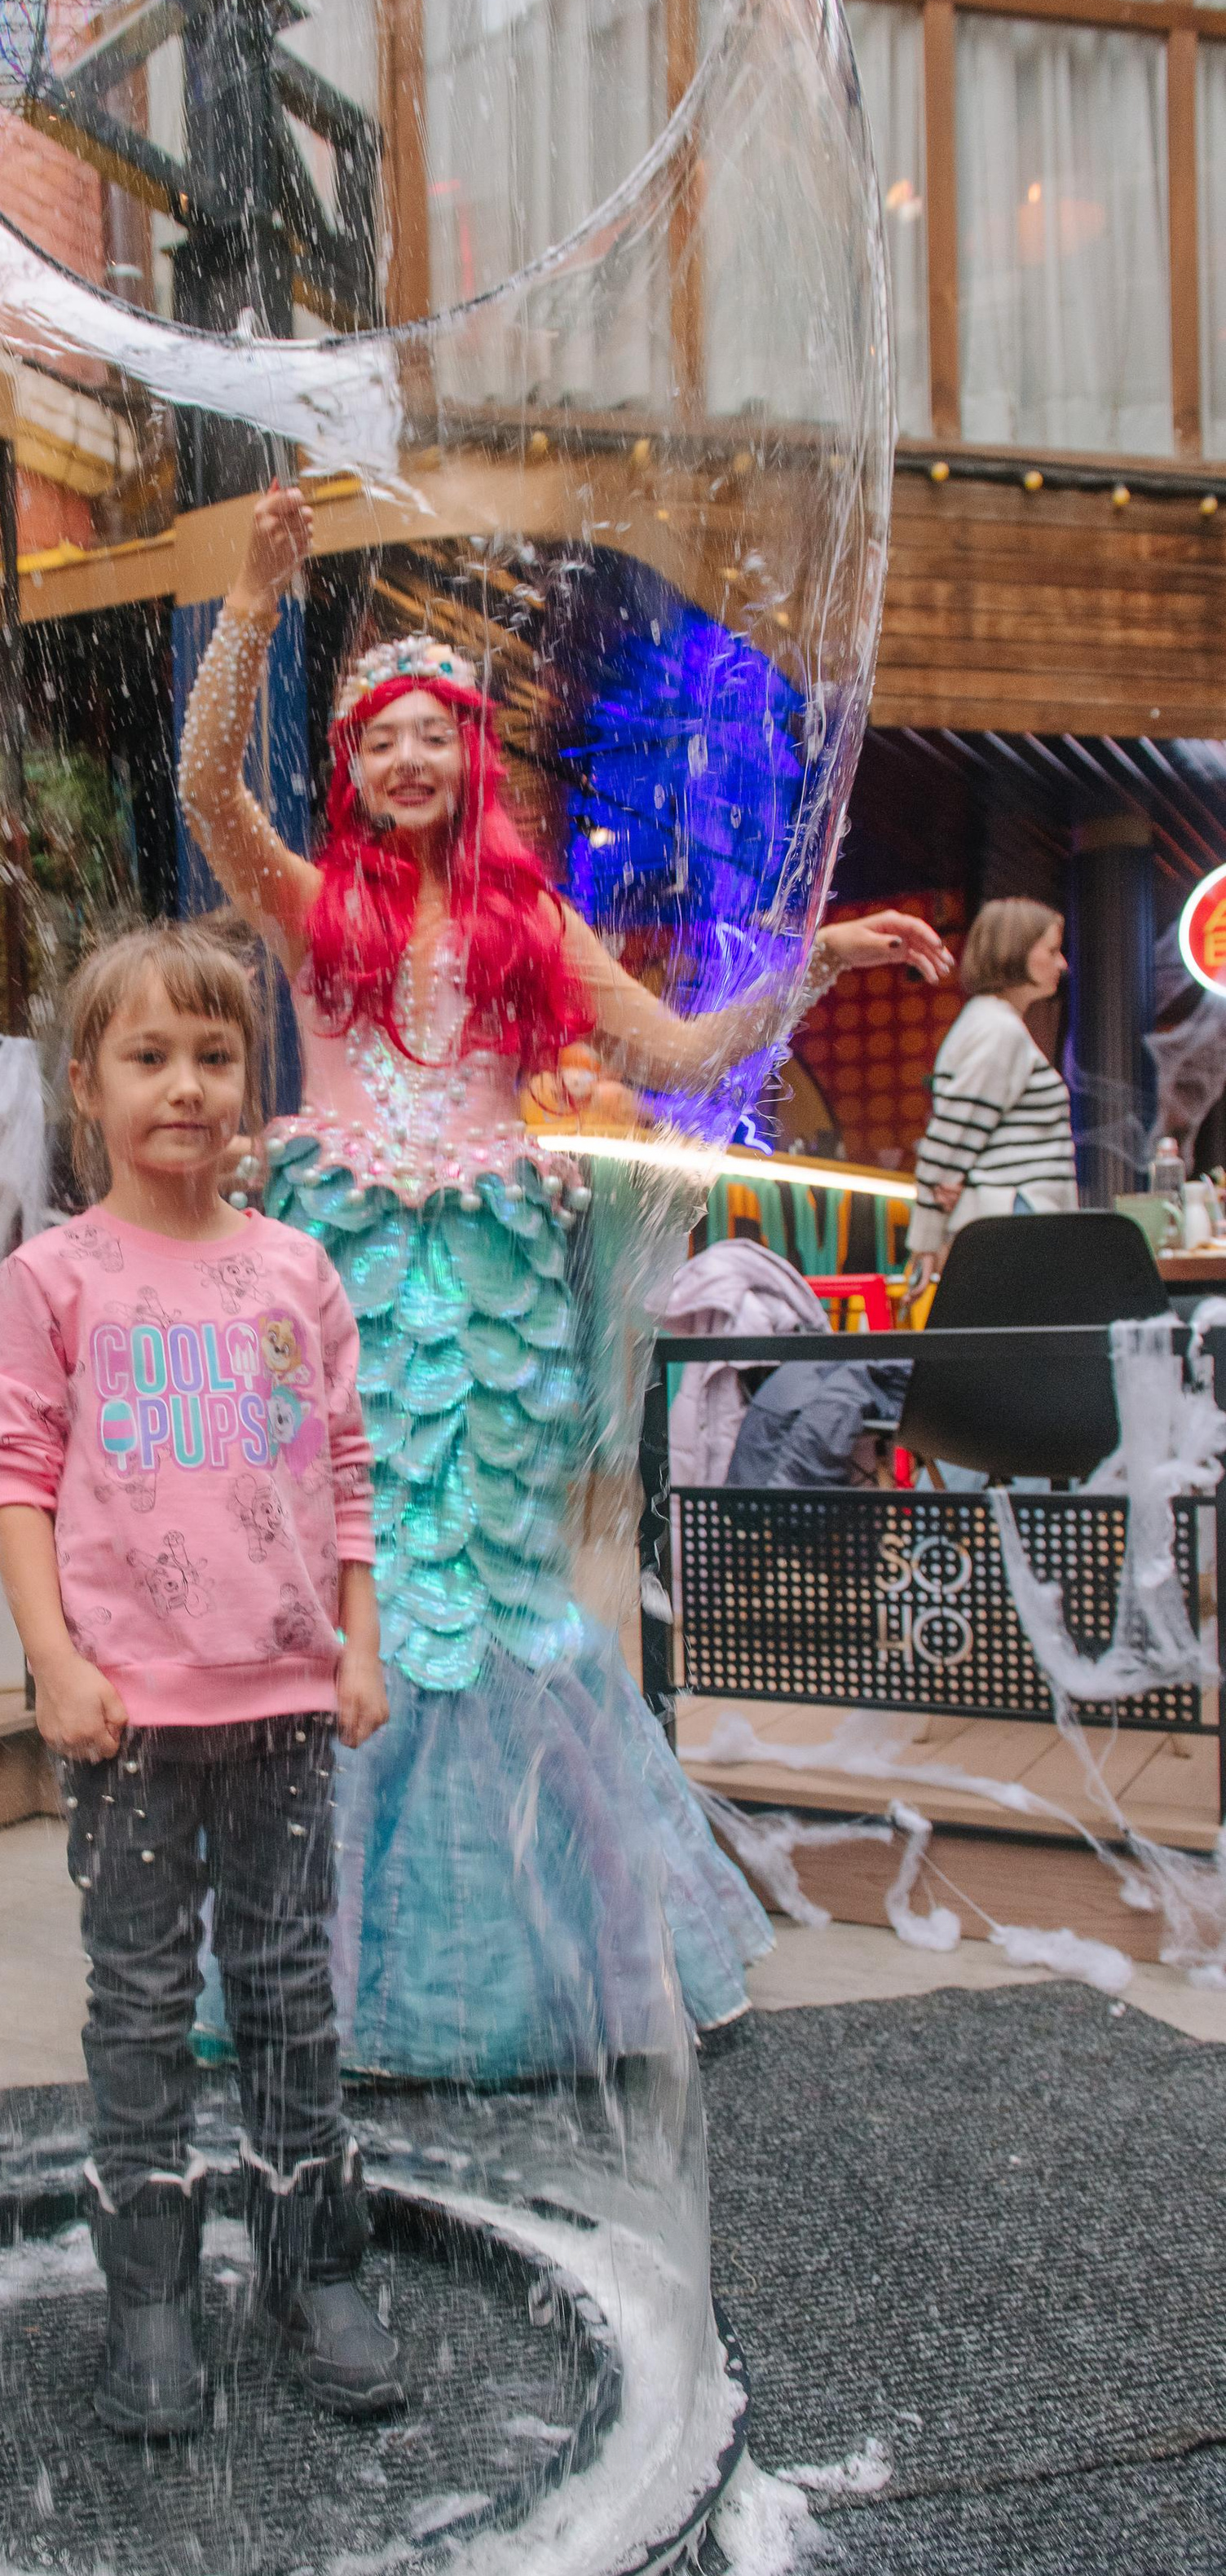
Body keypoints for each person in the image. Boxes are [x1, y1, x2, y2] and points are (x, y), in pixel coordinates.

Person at [178, 482, 953, 2080]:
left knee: (495, 1592)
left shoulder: (530, 921)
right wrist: (252, 605)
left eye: (430, 732)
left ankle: (529, 1963)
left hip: (498, 1283)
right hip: (340, 1278)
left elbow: (674, 1051)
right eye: (375, 735)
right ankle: (325, 1962)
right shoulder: (311, 904)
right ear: (348, 767)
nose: (404, 758)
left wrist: (815, 961)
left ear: (471, 757)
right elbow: (199, 784)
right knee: (354, 1580)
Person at [0, 923, 404, 2440]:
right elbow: (14, 1473)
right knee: (143, 2000)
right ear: (87, 1084)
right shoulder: (55, 1278)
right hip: (130, 1716)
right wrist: (53, 1662)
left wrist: (362, 1632)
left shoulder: (294, 1272)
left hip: (283, 1700)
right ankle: (151, 2291)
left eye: (215, 1057)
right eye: (149, 1057)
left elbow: (344, 1466)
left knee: (289, 1991)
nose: (186, 1086)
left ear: (252, 1084)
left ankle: (309, 2262)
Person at [907, 900, 1076, 1284]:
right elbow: (949, 1139)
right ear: (1015, 951)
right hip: (1013, 1223)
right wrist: (926, 1242)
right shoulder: (998, 1030)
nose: (1062, 963)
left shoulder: (990, 1022)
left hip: (1008, 1221)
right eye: (1051, 950)